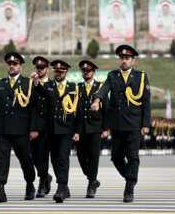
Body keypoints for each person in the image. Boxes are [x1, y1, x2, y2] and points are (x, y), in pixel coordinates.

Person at [91, 44, 151, 203]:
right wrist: (97, 100)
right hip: (117, 123)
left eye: (127, 58)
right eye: (122, 58)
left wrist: (146, 124)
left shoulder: (141, 77)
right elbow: (104, 89)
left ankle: (129, 187)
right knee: (116, 157)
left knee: (132, 156)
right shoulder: (113, 75)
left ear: (133, 61)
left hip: (134, 124)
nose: (124, 61)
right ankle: (131, 177)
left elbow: (146, 102)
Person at [0, 52, 38, 203]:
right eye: (9, 64)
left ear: (20, 67)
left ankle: (30, 184)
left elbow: (35, 106)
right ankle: (1, 190)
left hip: (21, 129)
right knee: (1, 160)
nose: (11, 66)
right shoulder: (0, 83)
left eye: (15, 64)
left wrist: (34, 128)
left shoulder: (28, 83)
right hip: (2, 128)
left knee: (26, 159)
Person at [30, 60, 82, 203]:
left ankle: (61, 188)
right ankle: (64, 186)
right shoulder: (49, 86)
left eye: (60, 72)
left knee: (63, 158)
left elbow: (80, 111)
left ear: (66, 73)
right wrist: (35, 82)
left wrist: (78, 131)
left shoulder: (74, 87)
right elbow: (40, 91)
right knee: (54, 159)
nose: (57, 74)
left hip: (67, 129)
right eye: (55, 71)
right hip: (51, 130)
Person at [77, 60, 109, 198]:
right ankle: (93, 178)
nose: (86, 73)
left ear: (93, 72)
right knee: (80, 155)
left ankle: (91, 184)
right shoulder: (77, 87)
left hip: (96, 128)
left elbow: (107, 110)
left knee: (94, 156)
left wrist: (106, 128)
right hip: (81, 128)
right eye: (84, 71)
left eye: (88, 71)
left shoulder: (100, 87)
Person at [30, 56, 53, 198]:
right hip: (33, 125)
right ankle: (46, 176)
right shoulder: (30, 85)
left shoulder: (52, 84)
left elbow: (50, 98)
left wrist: (38, 84)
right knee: (34, 156)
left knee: (43, 155)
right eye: (37, 68)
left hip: (48, 126)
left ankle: (42, 183)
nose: (39, 70)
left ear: (47, 69)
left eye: (42, 68)